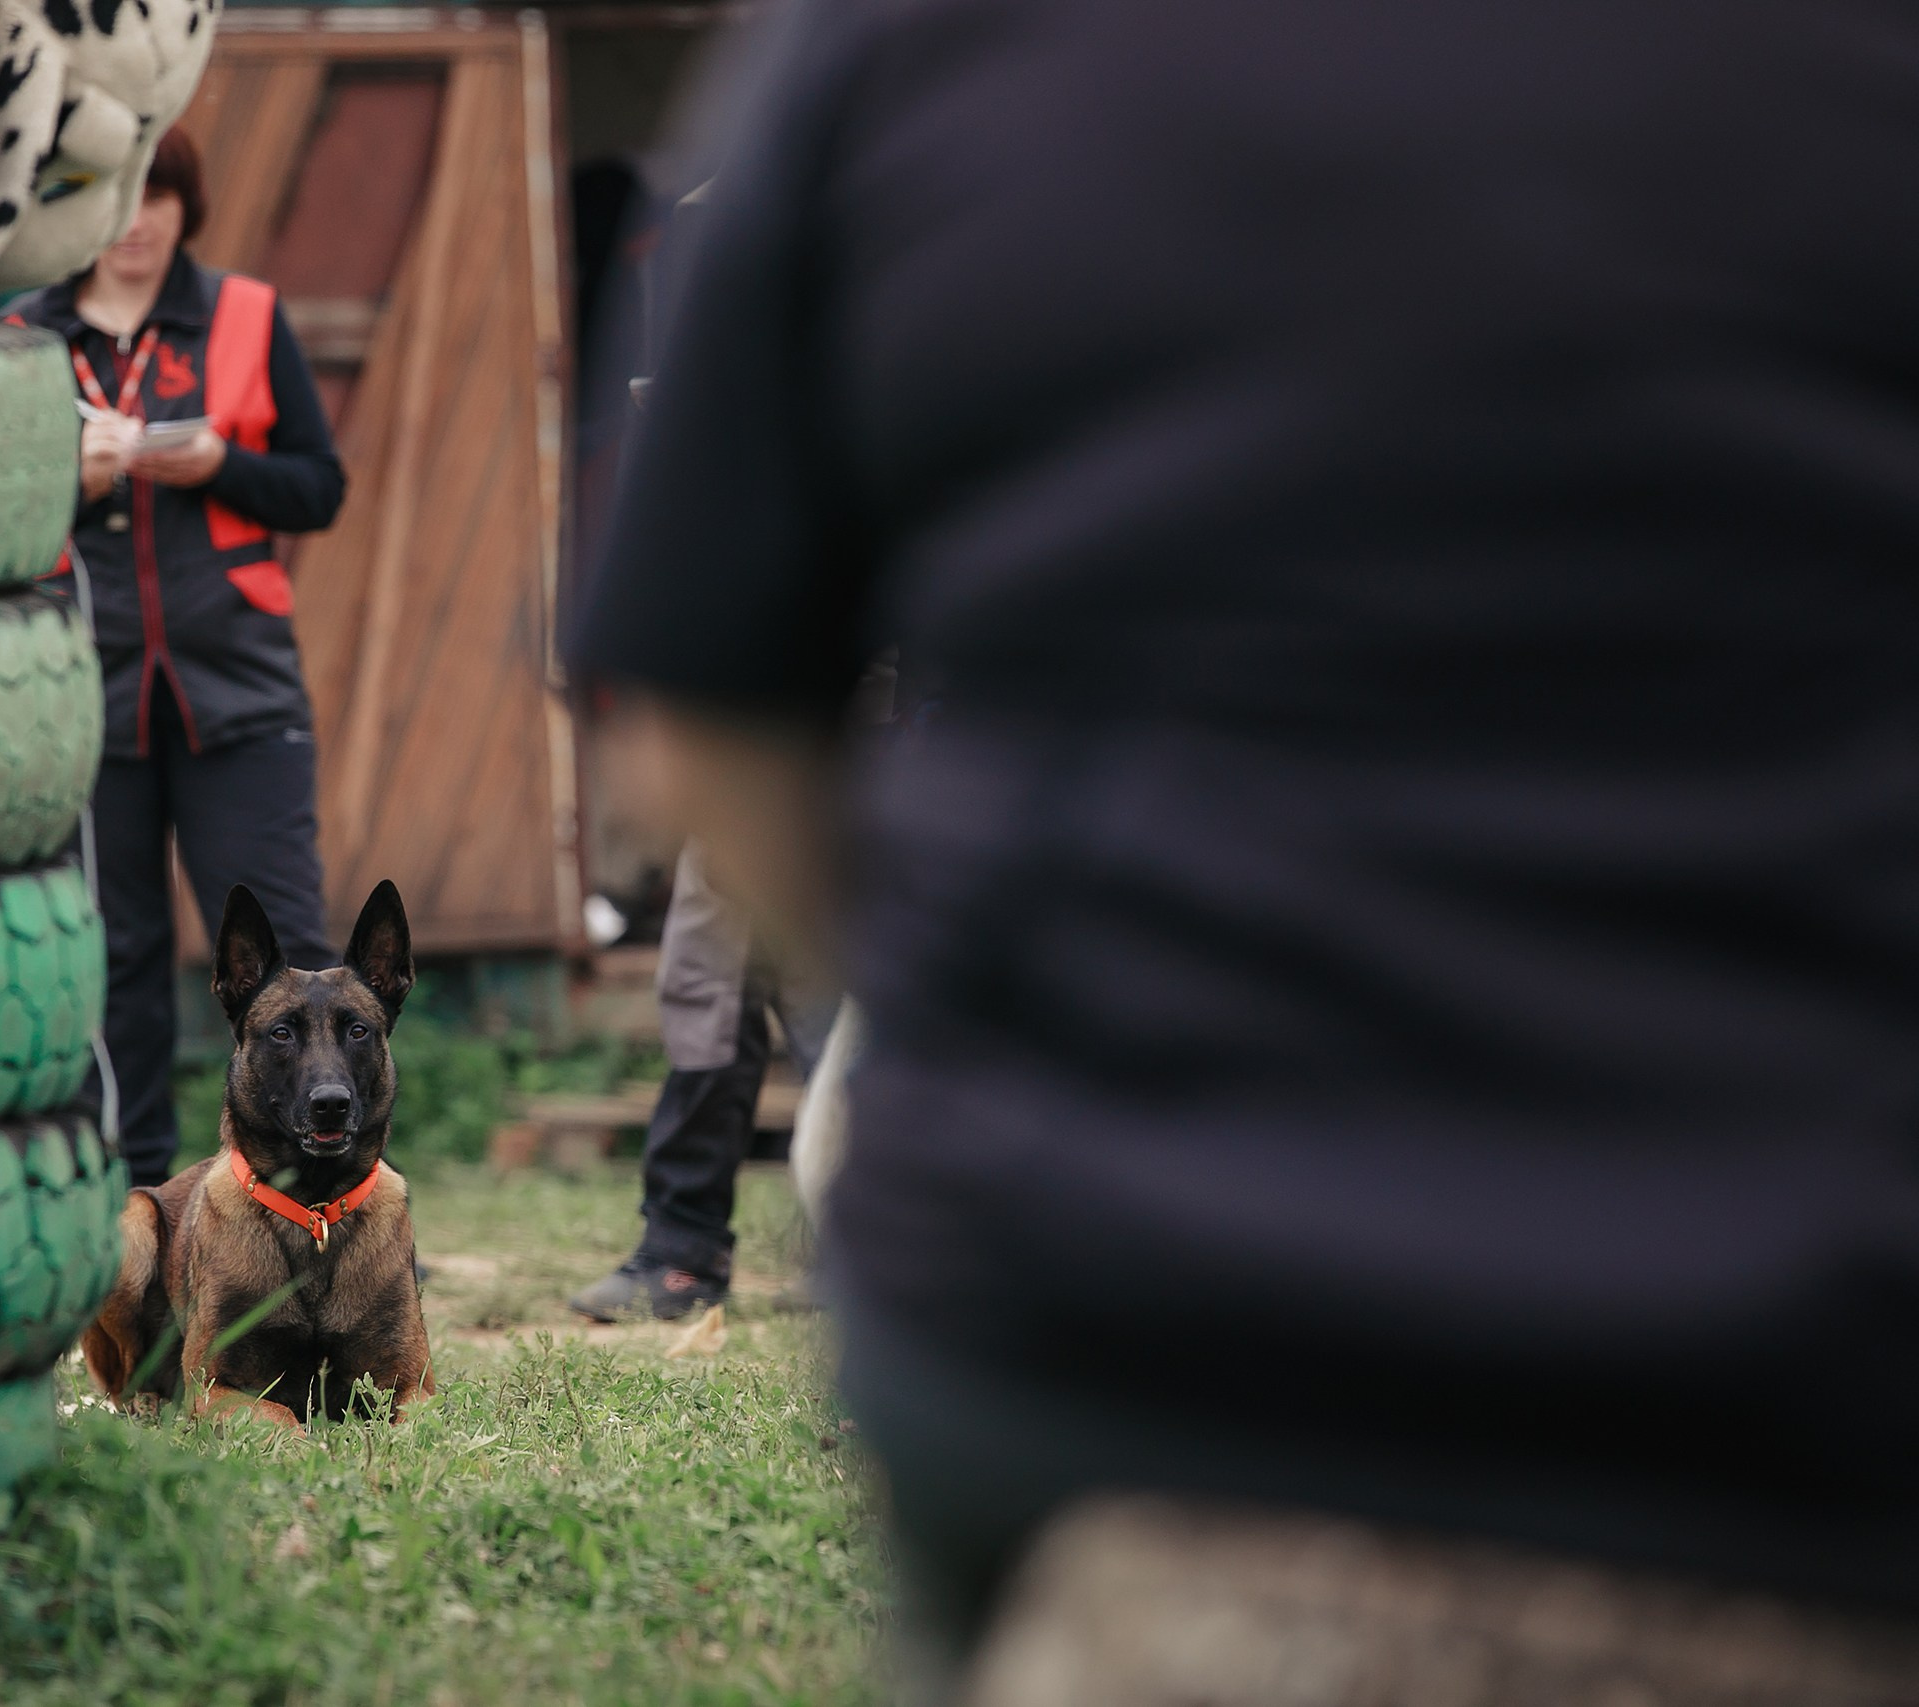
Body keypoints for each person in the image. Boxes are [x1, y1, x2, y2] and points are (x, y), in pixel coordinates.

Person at [572, 0, 1919, 1695]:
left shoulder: (909, 40)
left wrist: (983, 996)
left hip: (1114, 1352)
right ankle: (678, 1232)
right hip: (1812, 1392)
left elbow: (695, 721)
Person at [13, 129, 345, 1190]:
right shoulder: (22, 334)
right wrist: (75, 478)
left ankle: (329, 1197)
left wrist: (218, 463)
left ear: (183, 208)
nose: (135, 218)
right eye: (110, 195)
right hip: (84, 699)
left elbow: (317, 487)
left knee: (297, 968)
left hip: (240, 697)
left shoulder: (246, 313)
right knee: (117, 969)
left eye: (156, 195)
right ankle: (140, 1220)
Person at [569, 838, 835, 1322]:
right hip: (740, 798)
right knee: (704, 990)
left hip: (839, 790)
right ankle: (683, 1253)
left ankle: (872, 1244)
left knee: (836, 998)